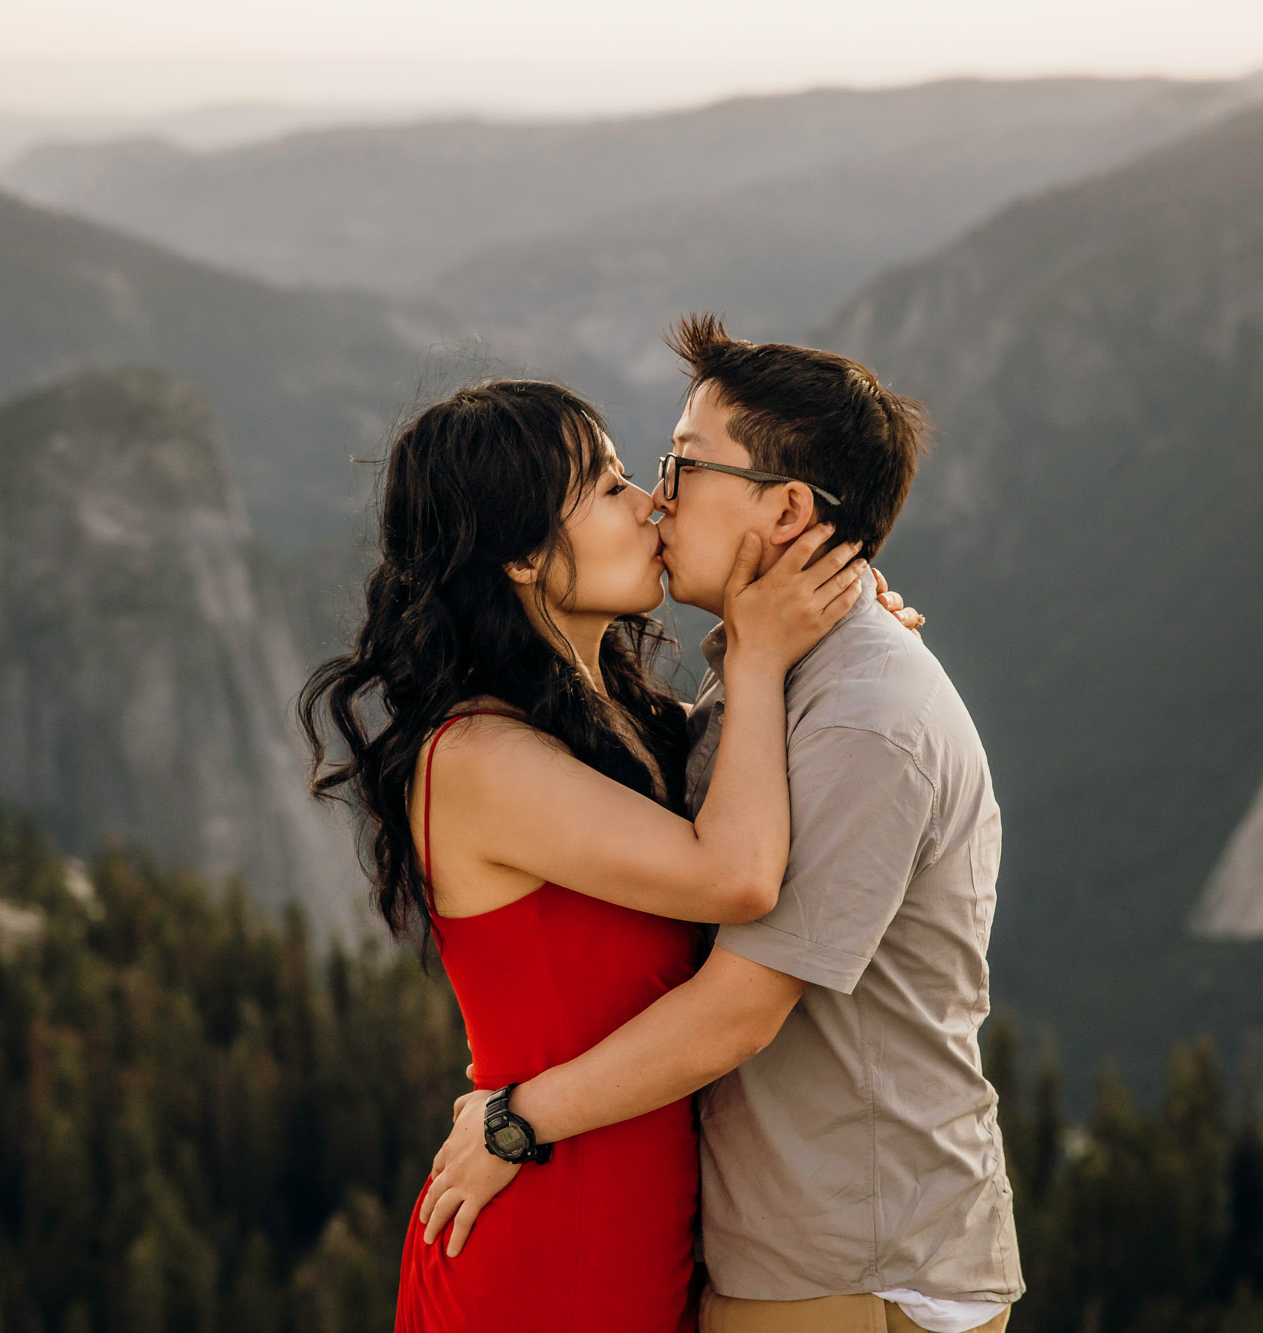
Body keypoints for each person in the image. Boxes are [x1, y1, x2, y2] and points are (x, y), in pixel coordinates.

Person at [419, 315, 1026, 1333]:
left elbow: (739, 1005)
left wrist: (517, 1119)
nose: (657, 497)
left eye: (677, 465)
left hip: (841, 1260)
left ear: (785, 509)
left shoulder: (855, 715)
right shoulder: (751, 691)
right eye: (626, 478)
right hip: (720, 1242)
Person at [298, 377, 902, 1331]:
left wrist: (839, 646)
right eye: (610, 485)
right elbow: (736, 876)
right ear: (524, 556)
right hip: (549, 1234)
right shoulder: (476, 757)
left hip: (636, 1218)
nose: (652, 502)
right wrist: (755, 656)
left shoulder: (610, 724)